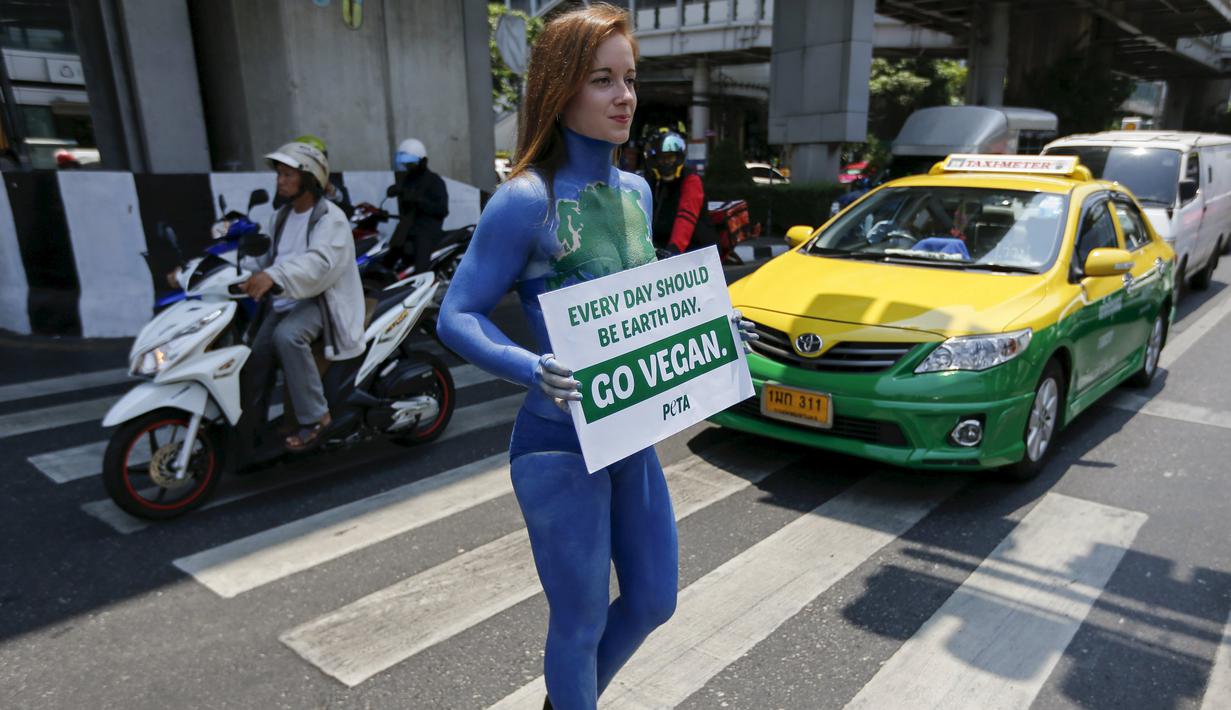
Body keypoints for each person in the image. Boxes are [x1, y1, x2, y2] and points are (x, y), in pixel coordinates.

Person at [437, 6, 753, 709]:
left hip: (626, 433)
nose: (624, 98)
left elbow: (645, 312)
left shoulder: (637, 191)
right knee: (577, 623)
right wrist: (528, 367)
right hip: (556, 444)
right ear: (559, 89)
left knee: (651, 600)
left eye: (630, 79)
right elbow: (455, 314)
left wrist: (707, 331)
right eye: (601, 80)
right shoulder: (527, 198)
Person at [239, 141, 365, 451]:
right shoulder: (281, 216)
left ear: (308, 179)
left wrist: (274, 276)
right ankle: (253, 423)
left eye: (287, 175)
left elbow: (319, 265)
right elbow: (269, 258)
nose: (280, 180)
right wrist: (241, 271)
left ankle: (317, 417)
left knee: (287, 337)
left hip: (322, 300)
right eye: (279, 174)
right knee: (256, 352)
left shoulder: (329, 218)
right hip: (287, 299)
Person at [643, 129, 716, 258]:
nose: (665, 162)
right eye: (661, 158)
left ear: (679, 157)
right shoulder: (653, 181)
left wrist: (674, 250)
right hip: (663, 251)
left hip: (696, 253)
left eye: (670, 157)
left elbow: (686, 216)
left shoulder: (691, 180)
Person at [389, 137, 449, 273]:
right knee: (389, 257)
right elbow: (397, 189)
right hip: (407, 229)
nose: (408, 166)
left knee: (421, 270)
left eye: (411, 163)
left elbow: (442, 210)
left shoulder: (434, 181)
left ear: (421, 161)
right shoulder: (408, 179)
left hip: (426, 232)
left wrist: (419, 200)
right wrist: (395, 190)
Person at [290, 134, 354, 218]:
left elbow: (348, 211)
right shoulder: (287, 179)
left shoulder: (332, 176)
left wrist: (331, 191)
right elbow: (278, 205)